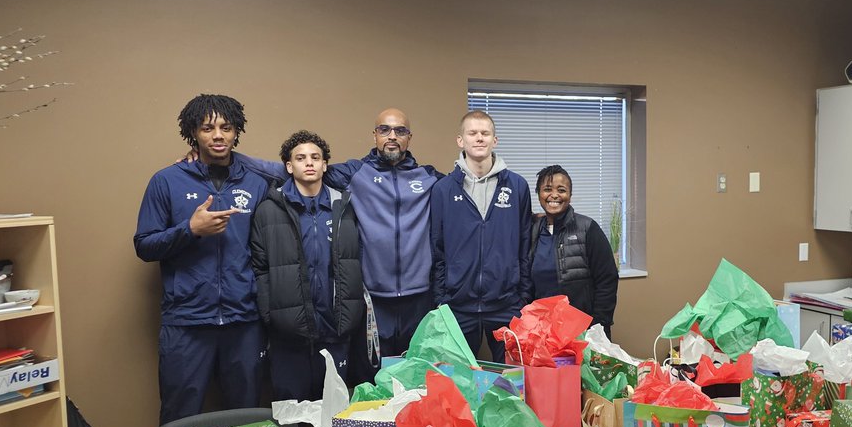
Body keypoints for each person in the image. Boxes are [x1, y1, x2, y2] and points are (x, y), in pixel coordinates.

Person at [234, 107, 440, 358]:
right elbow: (289, 169)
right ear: (374, 135)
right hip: (373, 295)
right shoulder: (354, 173)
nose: (392, 136)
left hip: (419, 295)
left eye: (400, 130)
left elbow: (464, 183)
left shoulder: (429, 177)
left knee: (417, 372)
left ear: (409, 137)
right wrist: (227, 157)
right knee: (374, 376)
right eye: (385, 130)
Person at [134, 94, 269, 425]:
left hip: (244, 320)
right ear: (193, 132)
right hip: (187, 321)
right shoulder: (166, 181)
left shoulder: (257, 182)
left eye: (226, 127)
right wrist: (190, 229)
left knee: (247, 416)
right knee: (178, 418)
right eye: (208, 128)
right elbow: (144, 245)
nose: (218, 135)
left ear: (237, 131)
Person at [249, 131, 373, 401]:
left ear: (325, 165)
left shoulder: (344, 206)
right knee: (290, 416)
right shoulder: (269, 210)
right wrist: (272, 315)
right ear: (289, 166)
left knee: (334, 413)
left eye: (315, 157)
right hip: (289, 334)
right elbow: (259, 267)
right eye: (301, 158)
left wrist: (351, 314)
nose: (309, 163)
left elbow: (356, 260)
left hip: (335, 328)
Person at [430, 110, 531, 363]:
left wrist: (522, 298)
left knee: (510, 381)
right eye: (472, 133)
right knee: (460, 382)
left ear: (494, 140)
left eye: (485, 133)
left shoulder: (517, 187)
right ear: (460, 141)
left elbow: (525, 246)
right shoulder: (443, 190)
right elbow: (437, 249)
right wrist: (443, 299)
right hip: (458, 305)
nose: (479, 138)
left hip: (506, 304)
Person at [528, 165, 619, 336]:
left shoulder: (587, 228)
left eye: (561, 190)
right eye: (547, 189)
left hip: (585, 329)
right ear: (538, 193)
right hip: (544, 330)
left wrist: (598, 325)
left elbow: (607, 279)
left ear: (570, 195)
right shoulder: (533, 231)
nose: (554, 195)